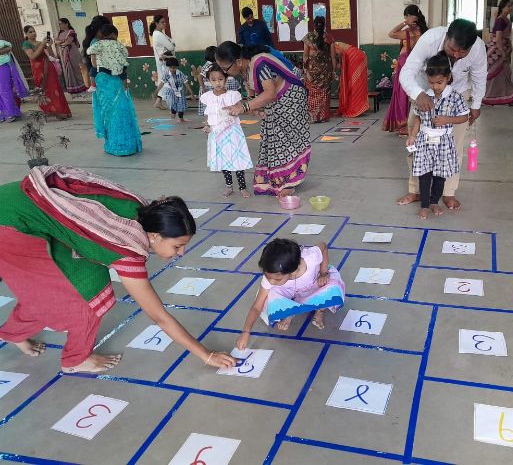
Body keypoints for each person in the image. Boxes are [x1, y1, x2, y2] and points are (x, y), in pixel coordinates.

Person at [0, 166, 236, 373]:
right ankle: (74, 360)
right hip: (11, 223)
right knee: (84, 297)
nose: (181, 252)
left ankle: (13, 333)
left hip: (23, 203)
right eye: (178, 246)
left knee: (86, 280)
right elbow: (159, 317)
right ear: (154, 235)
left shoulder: (142, 210)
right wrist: (206, 355)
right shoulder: (127, 249)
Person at [397, 18, 487, 210]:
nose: (456, 55)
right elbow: (406, 72)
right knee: (416, 146)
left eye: (463, 52)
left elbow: (480, 75)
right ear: (446, 37)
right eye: (452, 49)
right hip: (424, 91)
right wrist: (418, 94)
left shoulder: (478, 48)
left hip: (458, 93)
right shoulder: (430, 39)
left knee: (454, 149)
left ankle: (448, 193)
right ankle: (416, 190)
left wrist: (476, 104)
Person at [216, 42, 310, 197]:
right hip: (277, 100)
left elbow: (270, 93)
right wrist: (248, 105)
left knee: (285, 140)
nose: (225, 73)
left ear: (238, 61)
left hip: (291, 97)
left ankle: (290, 182)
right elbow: (255, 96)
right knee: (271, 137)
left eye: (225, 69)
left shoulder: (259, 64)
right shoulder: (246, 68)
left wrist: (244, 107)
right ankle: (278, 178)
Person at [236, 239, 345, 347]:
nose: (270, 282)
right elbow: (257, 306)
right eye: (267, 276)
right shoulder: (272, 276)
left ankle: (320, 311)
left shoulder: (310, 258)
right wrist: (246, 332)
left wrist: (323, 272)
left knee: (332, 287)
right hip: (290, 292)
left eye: (277, 279)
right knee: (268, 296)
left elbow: (323, 246)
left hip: (312, 286)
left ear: (293, 271)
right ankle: (289, 313)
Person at [406, 54, 469, 220]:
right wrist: (412, 136)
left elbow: (464, 117)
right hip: (424, 141)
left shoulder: (455, 96)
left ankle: (435, 202)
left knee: (440, 175)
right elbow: (418, 117)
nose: (435, 86)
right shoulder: (424, 96)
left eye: (439, 82)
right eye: (431, 82)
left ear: (448, 77)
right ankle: (425, 205)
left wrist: (447, 120)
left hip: (444, 142)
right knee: (424, 175)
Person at [87, 24, 141, 157]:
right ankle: (126, 145)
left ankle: (113, 145)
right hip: (117, 79)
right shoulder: (118, 45)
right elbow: (125, 57)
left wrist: (97, 60)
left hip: (102, 79)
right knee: (120, 110)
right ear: (113, 34)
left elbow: (90, 55)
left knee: (106, 111)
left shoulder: (98, 44)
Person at [200, 64, 253, 198]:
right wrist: (206, 125)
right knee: (223, 160)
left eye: (220, 79)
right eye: (214, 80)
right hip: (216, 134)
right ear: (209, 81)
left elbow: (241, 109)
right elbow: (208, 115)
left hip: (232, 133)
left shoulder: (233, 95)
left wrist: (234, 110)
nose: (217, 83)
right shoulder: (208, 97)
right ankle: (229, 186)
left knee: (237, 159)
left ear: (226, 79)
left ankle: (242, 187)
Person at [383, 5, 428, 133]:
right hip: (415, 65)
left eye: (407, 16)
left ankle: (405, 124)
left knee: (402, 93)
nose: (405, 19)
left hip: (405, 65)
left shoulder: (412, 32)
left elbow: (391, 34)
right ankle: (411, 123)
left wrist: (404, 23)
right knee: (410, 92)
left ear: (412, 17)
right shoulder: (423, 30)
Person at [22, 25, 71, 120]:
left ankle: (60, 111)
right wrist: (42, 44)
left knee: (55, 88)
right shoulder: (26, 44)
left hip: (48, 67)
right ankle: (49, 110)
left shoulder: (40, 42)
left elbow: (51, 54)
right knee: (44, 90)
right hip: (38, 70)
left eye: (34, 31)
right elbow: (33, 56)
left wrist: (49, 44)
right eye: (30, 32)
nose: (33, 33)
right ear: (26, 34)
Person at [482, 0, 513, 106]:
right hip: (497, 51)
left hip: (501, 49)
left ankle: (507, 96)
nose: (510, 8)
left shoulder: (505, 19)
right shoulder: (500, 20)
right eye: (508, 6)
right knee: (496, 74)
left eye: (511, 6)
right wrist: (503, 53)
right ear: (502, 7)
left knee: (504, 74)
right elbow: (498, 38)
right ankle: (490, 97)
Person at [302, 16, 336, 123]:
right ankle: (323, 117)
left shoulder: (308, 37)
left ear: (314, 24)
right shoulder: (329, 38)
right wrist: (334, 72)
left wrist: (305, 71)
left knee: (313, 94)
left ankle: (313, 117)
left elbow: (305, 56)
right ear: (324, 24)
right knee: (324, 95)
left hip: (312, 72)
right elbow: (333, 57)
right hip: (326, 71)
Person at [198, 45, 240, 117]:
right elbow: (200, 76)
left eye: (220, 79)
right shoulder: (208, 65)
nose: (217, 82)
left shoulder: (218, 65)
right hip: (208, 89)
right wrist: (203, 88)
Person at [334, 41, 369, 118]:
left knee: (353, 84)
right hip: (359, 55)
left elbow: (339, 54)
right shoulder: (335, 43)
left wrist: (336, 66)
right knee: (357, 82)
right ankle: (359, 107)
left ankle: (355, 108)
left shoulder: (331, 45)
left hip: (354, 56)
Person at [156, 57, 195, 122]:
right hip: (171, 91)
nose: (172, 69)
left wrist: (192, 93)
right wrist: (156, 91)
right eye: (170, 67)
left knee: (181, 105)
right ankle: (173, 112)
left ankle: (181, 119)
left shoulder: (180, 73)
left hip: (180, 91)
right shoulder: (166, 74)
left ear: (177, 67)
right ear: (168, 67)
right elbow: (162, 83)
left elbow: (186, 83)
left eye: (174, 67)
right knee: (172, 103)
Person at [0, 37, 29, 123]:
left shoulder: (2, 42)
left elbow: (9, 47)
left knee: (5, 90)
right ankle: (3, 114)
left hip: (2, 66)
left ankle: (10, 113)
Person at [54, 18, 86, 96]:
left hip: (72, 53)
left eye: (61, 23)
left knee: (76, 70)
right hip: (64, 54)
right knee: (68, 71)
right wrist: (62, 42)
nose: (60, 25)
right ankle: (73, 89)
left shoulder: (71, 32)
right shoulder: (60, 33)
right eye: (59, 24)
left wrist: (61, 43)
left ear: (66, 23)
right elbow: (56, 41)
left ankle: (81, 88)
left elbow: (68, 42)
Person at [150, 15, 176, 110]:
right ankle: (160, 96)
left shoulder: (161, 33)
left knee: (164, 80)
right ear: (156, 23)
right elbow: (171, 46)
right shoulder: (158, 35)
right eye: (162, 22)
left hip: (164, 61)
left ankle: (158, 100)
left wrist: (172, 44)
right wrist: (172, 45)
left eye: (165, 22)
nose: (165, 24)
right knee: (166, 81)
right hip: (164, 62)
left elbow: (172, 44)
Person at [81, 15, 111, 91]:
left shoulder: (99, 41)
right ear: (101, 29)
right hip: (101, 75)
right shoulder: (96, 43)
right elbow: (95, 63)